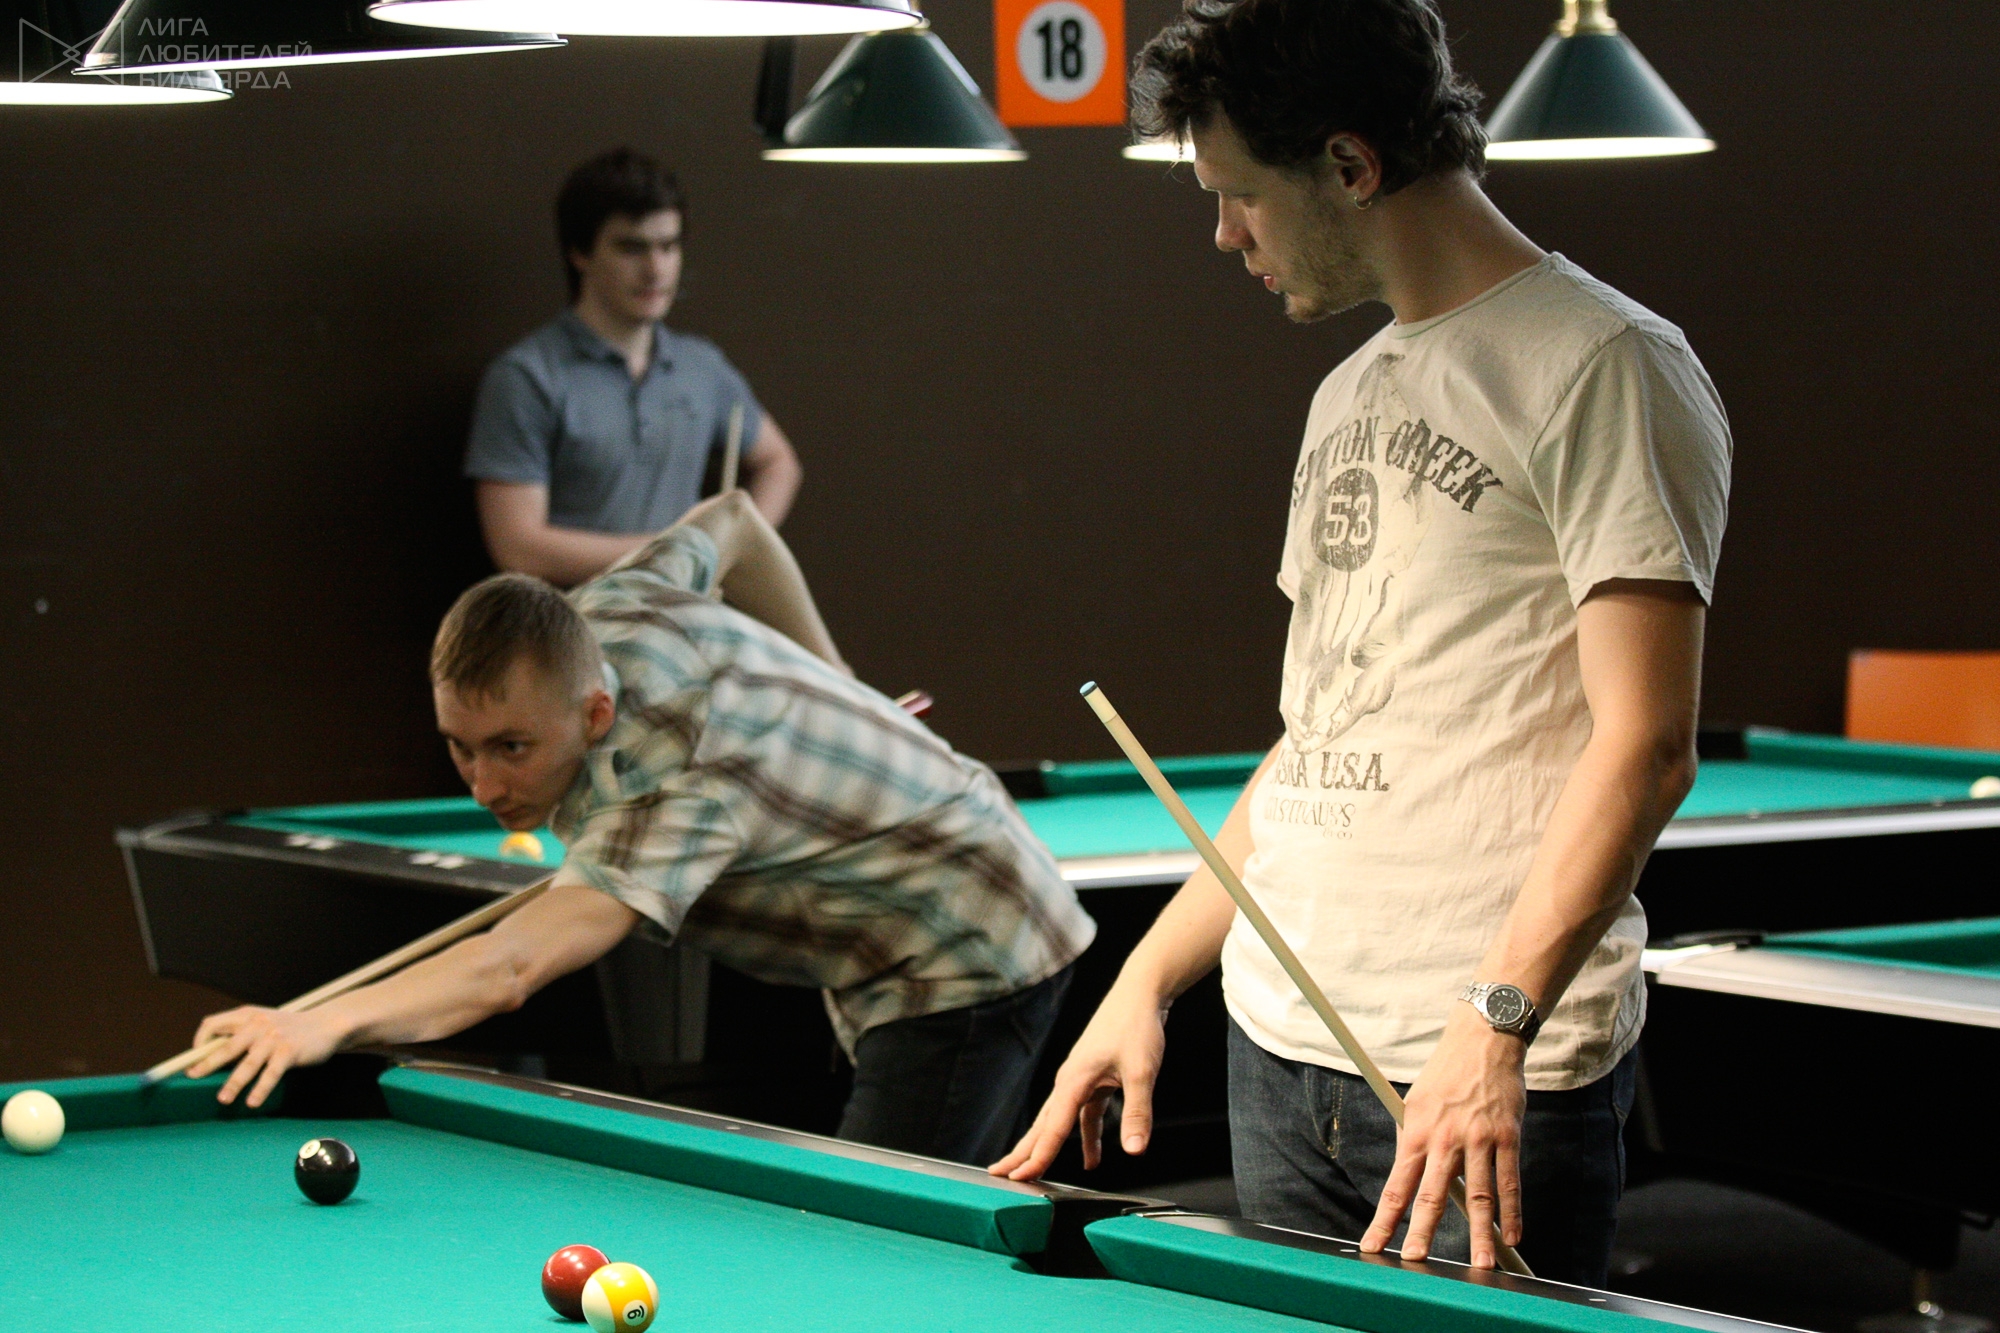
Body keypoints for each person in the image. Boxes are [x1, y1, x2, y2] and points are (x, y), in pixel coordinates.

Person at [992, 0, 1730, 1288]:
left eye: (1240, 196)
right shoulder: (1347, 390)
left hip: (1473, 1070)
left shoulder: (1604, 365)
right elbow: (1314, 740)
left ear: (1347, 164)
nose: (1224, 234)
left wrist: (1493, 1022)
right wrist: (1144, 981)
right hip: (1279, 1051)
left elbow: (1646, 744)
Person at [185, 490, 1096, 1167]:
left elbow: (509, 968)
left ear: (593, 713)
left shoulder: (665, 780)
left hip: (966, 942)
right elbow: (736, 520)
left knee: (887, 1237)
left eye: (511, 747)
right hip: (895, 923)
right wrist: (844, 678)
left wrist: (322, 1020)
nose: (484, 784)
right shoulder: (606, 609)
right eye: (460, 747)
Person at [466, 148, 804, 588]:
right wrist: (675, 553)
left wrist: (733, 549)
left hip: (684, 613)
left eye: (669, 246)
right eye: (632, 248)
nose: (656, 269)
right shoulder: (527, 377)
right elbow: (518, 547)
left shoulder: (701, 366)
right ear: (580, 252)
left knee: (806, 634)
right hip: (576, 620)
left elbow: (779, 462)